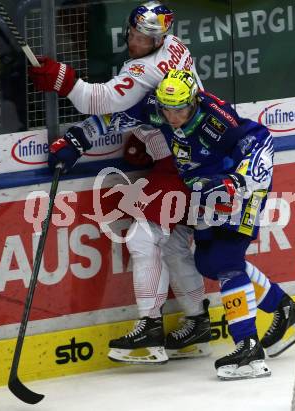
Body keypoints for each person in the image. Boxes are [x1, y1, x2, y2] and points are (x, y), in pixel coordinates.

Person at [49, 69, 295, 380]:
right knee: (207, 260)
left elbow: (259, 141)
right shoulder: (158, 109)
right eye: (167, 109)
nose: (173, 117)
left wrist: (237, 182)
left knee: (225, 260)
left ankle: (248, 346)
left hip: (241, 187)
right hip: (202, 187)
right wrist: (77, 140)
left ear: (194, 100)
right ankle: (282, 306)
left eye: (180, 109)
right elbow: (114, 118)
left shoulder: (216, 118)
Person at [34, 1, 211, 365]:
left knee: (143, 236)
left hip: (181, 164)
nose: (136, 42)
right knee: (174, 244)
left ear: (159, 38)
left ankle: (149, 325)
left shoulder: (146, 68)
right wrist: (81, 138)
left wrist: (64, 81)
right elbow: (138, 113)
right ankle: (197, 321)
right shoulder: (175, 45)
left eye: (146, 38)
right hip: (189, 158)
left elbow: (102, 101)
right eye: (134, 34)